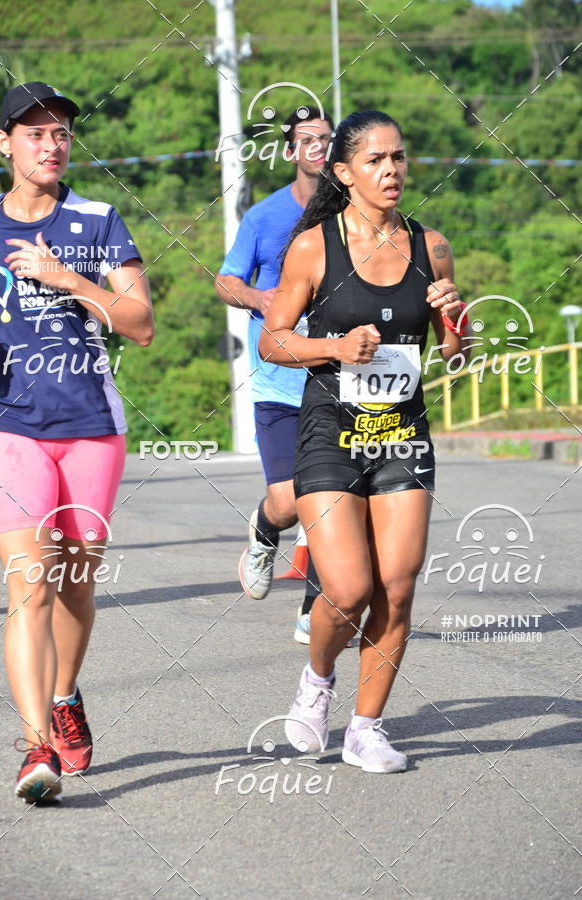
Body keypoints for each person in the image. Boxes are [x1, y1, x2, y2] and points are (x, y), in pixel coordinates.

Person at [259, 110, 470, 773]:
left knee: (398, 588)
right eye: (376, 160)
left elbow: (456, 356)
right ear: (345, 173)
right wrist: (336, 347)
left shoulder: (430, 246)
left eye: (399, 158)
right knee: (347, 590)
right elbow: (273, 339)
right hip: (332, 433)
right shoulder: (314, 247)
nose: (392, 170)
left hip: (403, 432)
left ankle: (366, 729)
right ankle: (317, 681)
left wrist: (456, 320)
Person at [0, 82, 153, 802]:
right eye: (34, 134)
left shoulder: (97, 220)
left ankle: (64, 694)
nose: (50, 145)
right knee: (29, 583)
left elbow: (139, 321)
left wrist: (63, 275)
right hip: (4, 424)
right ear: (4, 144)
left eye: (60, 134)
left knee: (76, 581)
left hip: (90, 427)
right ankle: (35, 748)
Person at [215, 106, 334, 643]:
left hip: (339, 384)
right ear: (290, 151)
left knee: (327, 503)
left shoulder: (356, 217)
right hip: (280, 384)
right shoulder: (264, 217)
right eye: (307, 140)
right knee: (288, 501)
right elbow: (226, 280)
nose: (319, 147)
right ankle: (265, 533)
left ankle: (315, 611)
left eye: (328, 139)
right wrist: (259, 297)